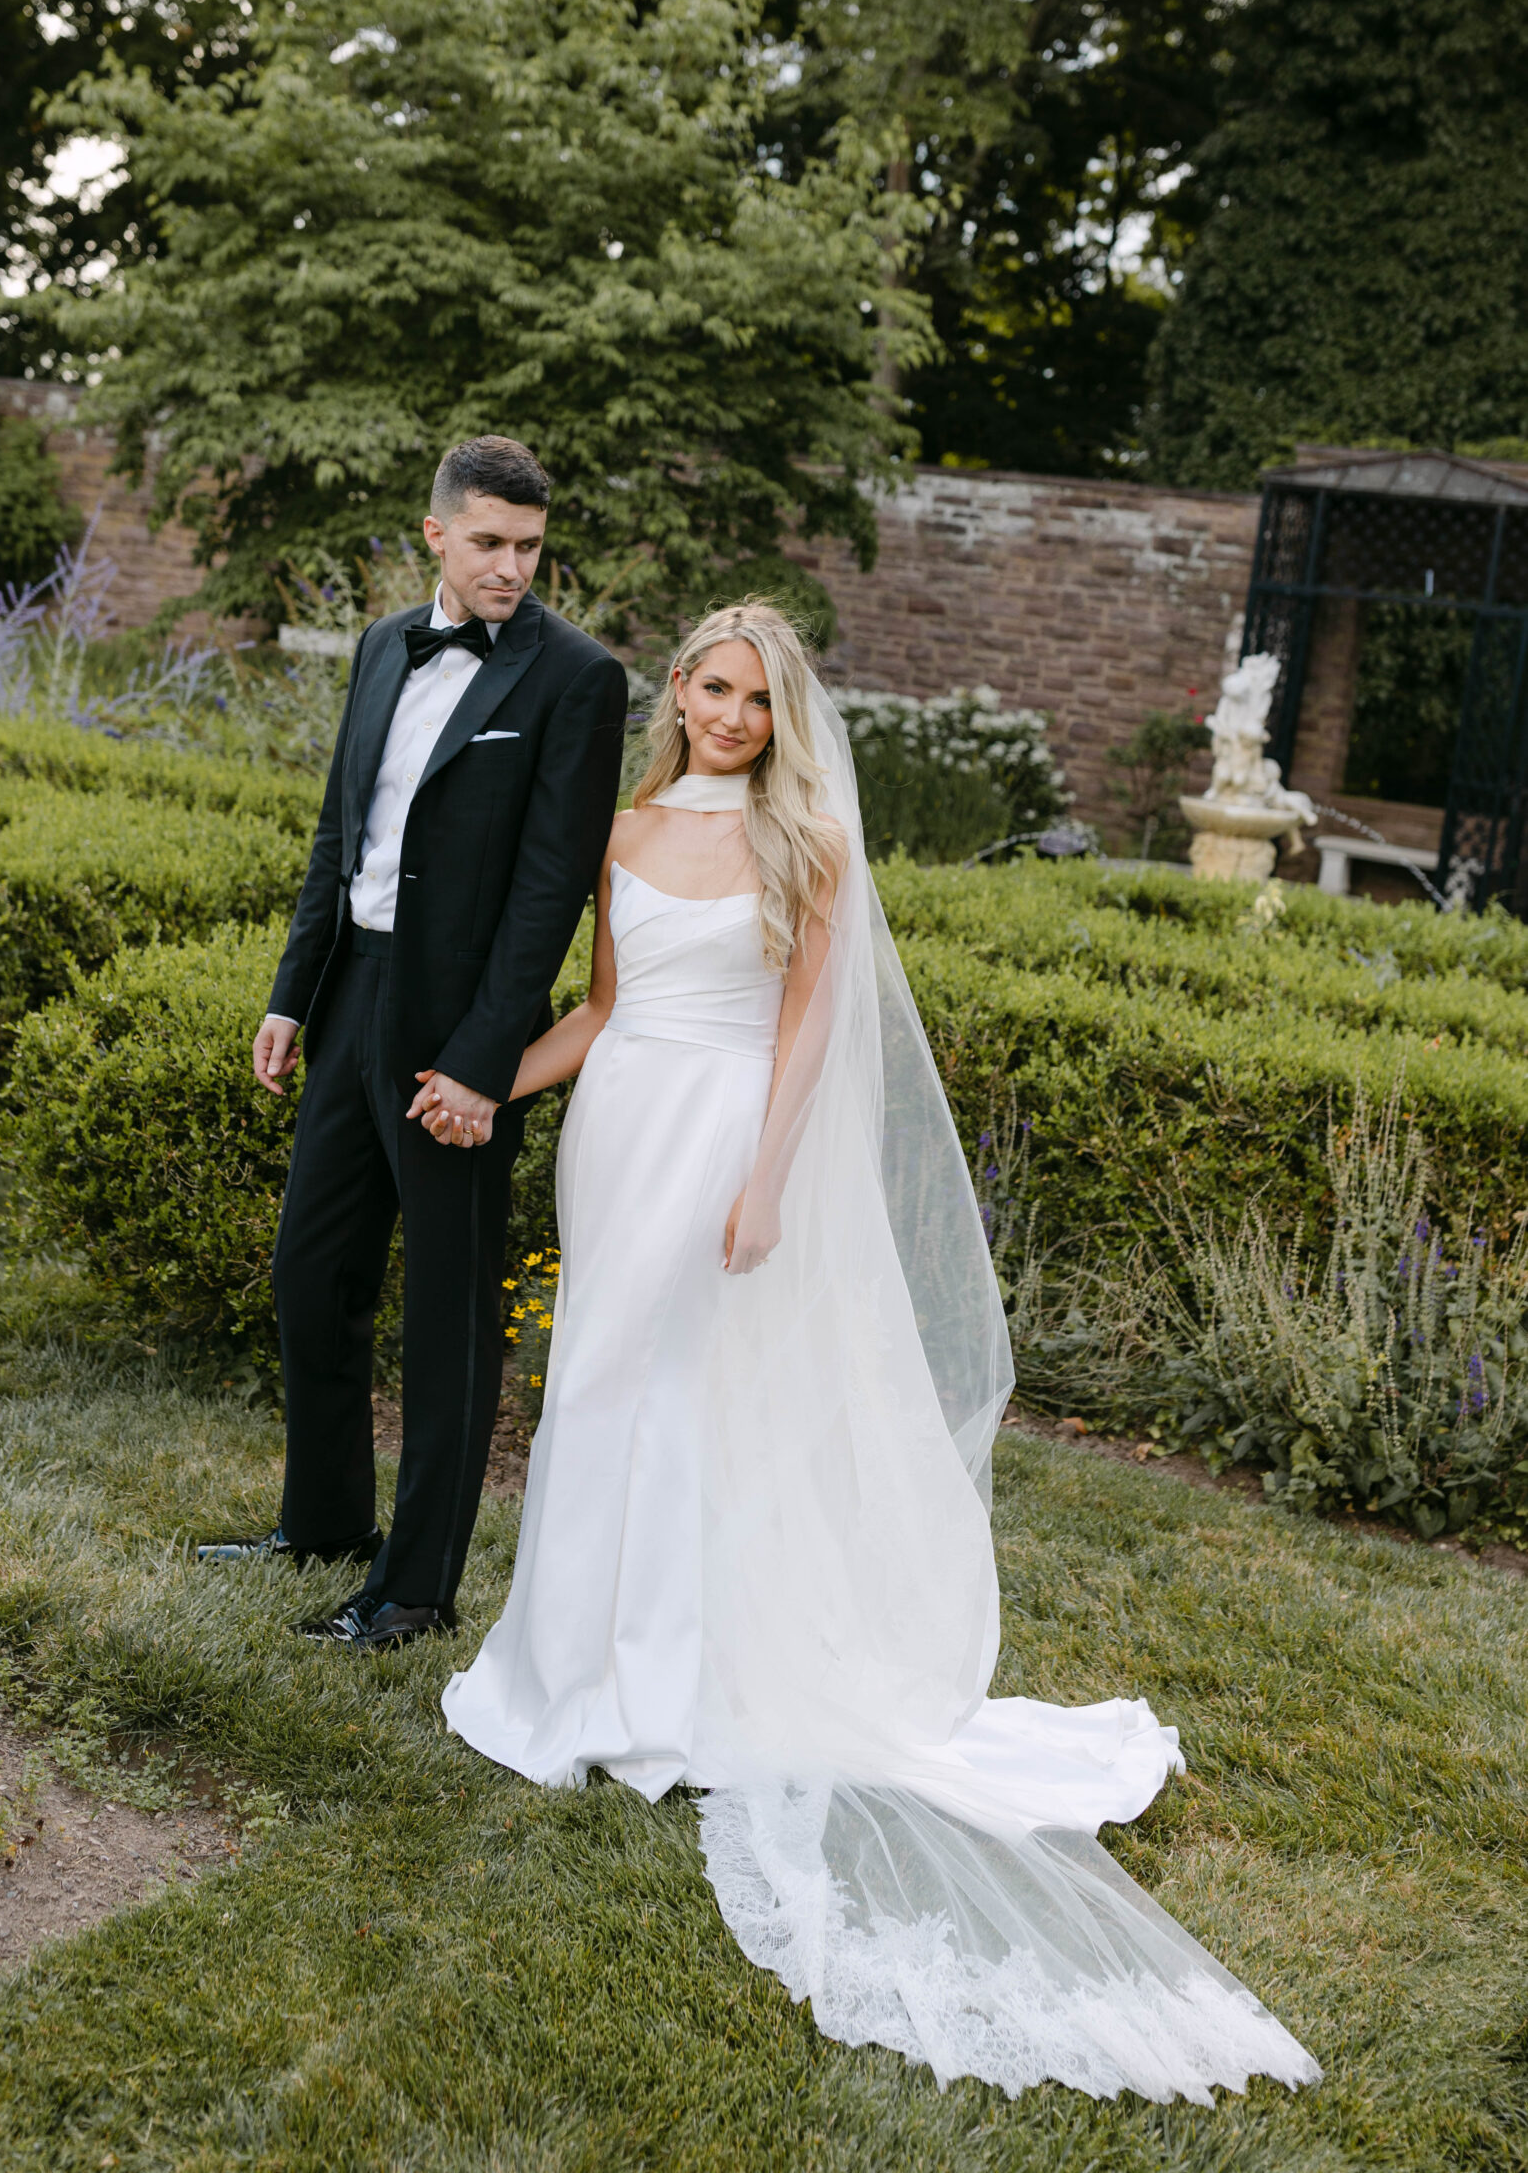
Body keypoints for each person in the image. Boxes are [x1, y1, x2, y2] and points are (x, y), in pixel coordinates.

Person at [443, 598, 1322, 2104]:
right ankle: (563, 1666)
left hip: (721, 1134)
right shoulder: (627, 824)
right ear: (679, 690)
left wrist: (767, 1179)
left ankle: (661, 1685)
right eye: (714, 689)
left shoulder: (812, 850)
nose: (731, 716)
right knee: (592, 1383)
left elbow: (798, 1036)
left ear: (785, 718)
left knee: (676, 1397)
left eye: (758, 701)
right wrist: (482, 1086)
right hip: (619, 1129)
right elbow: (602, 1007)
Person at [200, 436, 627, 1653]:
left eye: (530, 547)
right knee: (309, 1271)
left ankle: (412, 1589)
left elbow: (551, 893)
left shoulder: (575, 679)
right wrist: (292, 994)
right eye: (488, 542)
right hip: (349, 1003)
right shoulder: (384, 644)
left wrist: (488, 1062)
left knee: (447, 1314)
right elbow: (340, 833)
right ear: (434, 533)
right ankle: (322, 1524)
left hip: (460, 1032)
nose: (510, 567)